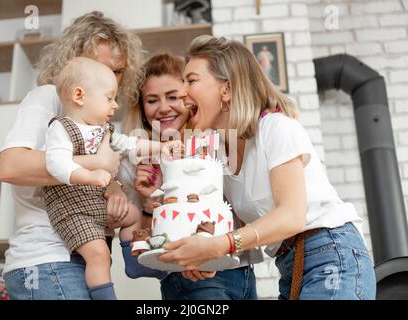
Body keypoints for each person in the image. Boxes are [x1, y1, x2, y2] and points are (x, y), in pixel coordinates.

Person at [158, 35, 376, 300]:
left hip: (331, 252)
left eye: (191, 80)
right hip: (289, 267)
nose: (182, 92)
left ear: (226, 89)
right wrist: (206, 259)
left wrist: (220, 246)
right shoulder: (217, 156)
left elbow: (292, 216)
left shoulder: (276, 128)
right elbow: (228, 227)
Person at [0, 12, 157, 300]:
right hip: (48, 260)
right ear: (73, 62)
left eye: (119, 70)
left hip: (83, 261)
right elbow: (10, 167)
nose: (111, 78)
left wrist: (117, 185)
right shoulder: (48, 98)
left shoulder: (102, 124)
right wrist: (99, 165)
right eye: (99, 65)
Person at [119, 52, 260, 300]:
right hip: (190, 282)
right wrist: (150, 202)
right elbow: (135, 266)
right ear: (142, 108)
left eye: (173, 96)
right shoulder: (139, 162)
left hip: (243, 275)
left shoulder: (220, 141)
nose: (164, 108)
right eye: (152, 100)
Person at [44, 57, 180, 299]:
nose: (115, 106)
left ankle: (135, 262)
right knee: (99, 255)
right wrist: (89, 174)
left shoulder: (105, 130)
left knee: (133, 215)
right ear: (79, 96)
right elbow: (55, 163)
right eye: (109, 98)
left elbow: (130, 144)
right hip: (73, 210)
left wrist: (159, 148)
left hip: (97, 203)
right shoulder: (61, 128)